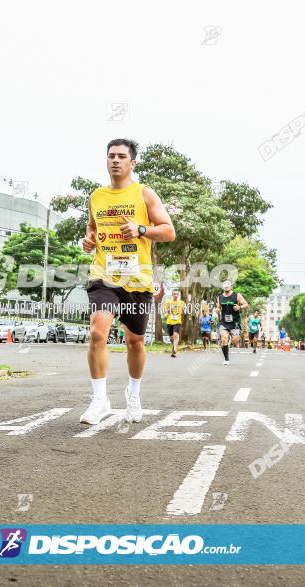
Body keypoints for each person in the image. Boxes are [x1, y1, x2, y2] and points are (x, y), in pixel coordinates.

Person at [80, 138, 176, 425]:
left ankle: (133, 393)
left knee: (135, 342)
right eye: (111, 156)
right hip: (104, 276)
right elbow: (93, 227)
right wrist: (89, 240)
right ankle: (100, 400)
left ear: (132, 163)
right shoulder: (96, 196)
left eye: (122, 156)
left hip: (137, 280)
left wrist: (141, 229)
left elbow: (169, 231)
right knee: (98, 333)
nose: (116, 160)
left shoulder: (144, 194)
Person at [218, 280, 249, 365]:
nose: (226, 287)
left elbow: (246, 304)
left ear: (231, 286)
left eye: (228, 285)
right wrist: (217, 309)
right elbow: (218, 307)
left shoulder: (237, 295)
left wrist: (239, 307)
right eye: (225, 285)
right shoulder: (220, 297)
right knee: (224, 339)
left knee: (235, 342)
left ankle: (232, 338)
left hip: (235, 322)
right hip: (224, 322)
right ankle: (226, 359)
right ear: (222, 287)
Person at [162, 289, 185, 358]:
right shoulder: (168, 302)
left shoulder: (181, 303)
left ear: (178, 295)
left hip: (177, 321)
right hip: (169, 321)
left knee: (176, 335)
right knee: (171, 338)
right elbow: (164, 311)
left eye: (177, 294)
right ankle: (174, 347)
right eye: (174, 294)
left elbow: (184, 311)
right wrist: (167, 310)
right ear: (172, 294)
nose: (175, 295)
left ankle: (175, 350)